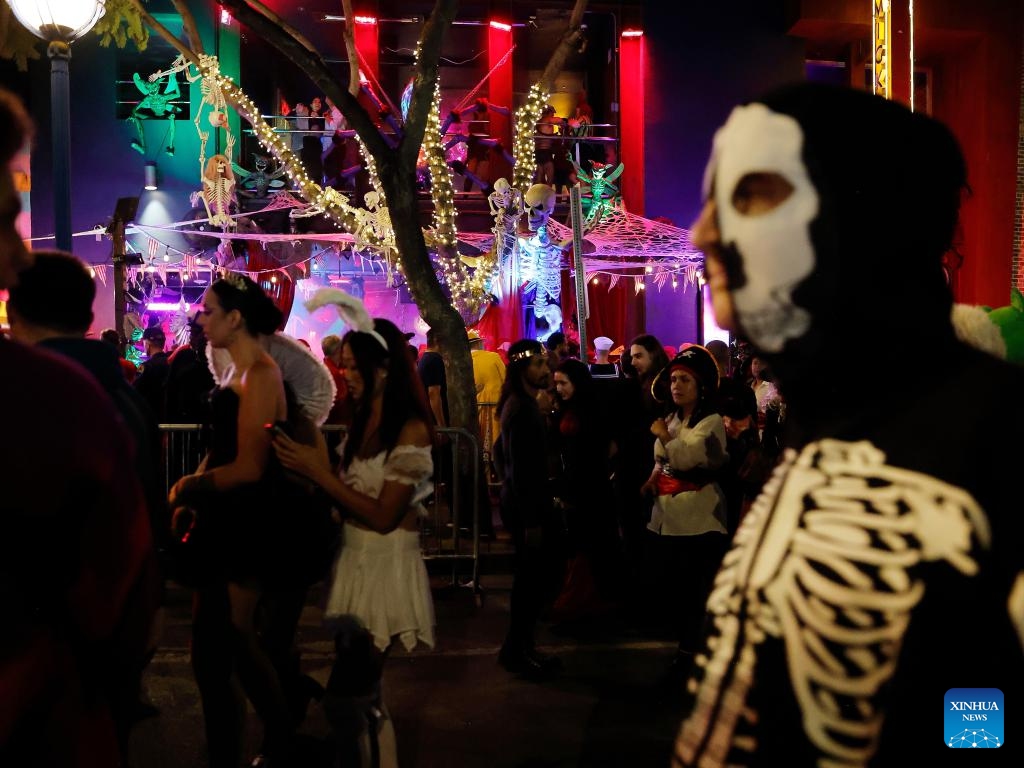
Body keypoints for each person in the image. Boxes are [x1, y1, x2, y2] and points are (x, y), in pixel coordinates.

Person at [675, 82, 1024, 766]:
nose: (704, 233)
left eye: (750, 197)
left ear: (852, 221)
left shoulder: (993, 433)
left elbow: (984, 685)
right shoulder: (833, 417)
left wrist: (971, 737)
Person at [0, 86, 157, 768]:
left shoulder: (61, 399)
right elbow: (117, 584)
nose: (15, 257)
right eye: (5, 221)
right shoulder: (52, 403)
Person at [168, 273, 329, 767]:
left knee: (235, 636)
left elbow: (250, 466)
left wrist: (188, 486)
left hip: (250, 519)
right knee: (226, 639)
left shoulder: (260, 374)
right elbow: (223, 449)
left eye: (209, 310)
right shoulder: (237, 371)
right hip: (229, 515)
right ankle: (275, 733)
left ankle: (281, 733)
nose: (201, 317)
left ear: (236, 319)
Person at [270, 288, 436, 761]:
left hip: (385, 572)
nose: (345, 375)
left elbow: (384, 514)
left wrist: (318, 473)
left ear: (384, 370)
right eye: (343, 365)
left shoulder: (411, 430)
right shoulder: (362, 421)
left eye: (353, 366)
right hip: (355, 565)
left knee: (347, 698)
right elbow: (353, 498)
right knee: (366, 698)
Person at [641, 345, 729, 676]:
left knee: (695, 591)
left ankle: (695, 653)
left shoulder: (711, 422)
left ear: (701, 386)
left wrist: (665, 437)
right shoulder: (672, 419)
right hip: (669, 518)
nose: (676, 386)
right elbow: (662, 461)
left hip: (699, 521)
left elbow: (690, 459)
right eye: (674, 379)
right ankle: (686, 647)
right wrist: (652, 479)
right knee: (676, 590)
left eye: (685, 380)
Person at [494, 338, 565, 679]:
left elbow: (498, 452)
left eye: (545, 364)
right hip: (527, 506)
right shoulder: (520, 408)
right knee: (529, 582)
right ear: (522, 369)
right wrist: (531, 519)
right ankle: (517, 650)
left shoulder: (520, 403)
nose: (545, 369)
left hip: (522, 502)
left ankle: (519, 647)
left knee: (532, 580)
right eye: (538, 364)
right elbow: (522, 468)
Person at [134, 323, 170, 422]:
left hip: (151, 418)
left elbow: (136, 391)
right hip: (169, 417)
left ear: (147, 344)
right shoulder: (172, 363)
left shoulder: (146, 366)